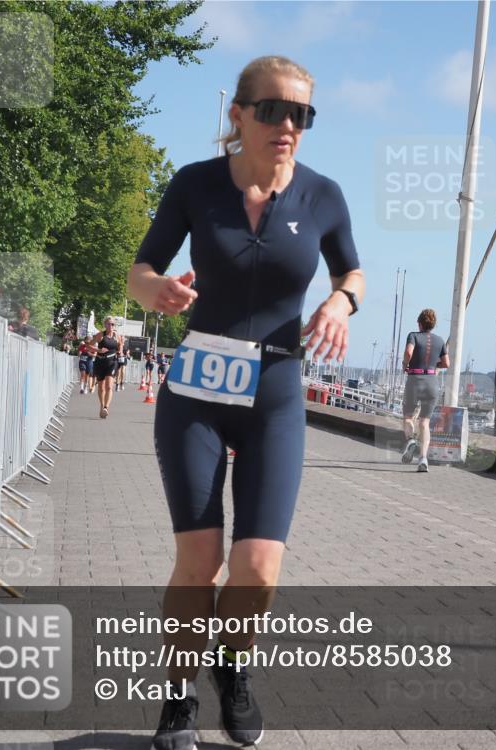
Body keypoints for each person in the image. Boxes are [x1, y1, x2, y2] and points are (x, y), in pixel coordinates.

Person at [126, 55, 363, 750]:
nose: (289, 125)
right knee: (200, 561)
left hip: (276, 395)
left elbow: (352, 269)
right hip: (196, 392)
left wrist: (341, 302)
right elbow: (141, 269)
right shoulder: (195, 184)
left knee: (258, 567)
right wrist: (155, 290)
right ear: (238, 114)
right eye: (273, 110)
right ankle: (178, 699)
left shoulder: (323, 196)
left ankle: (232, 668)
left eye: (302, 114)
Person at [400, 309, 449, 473]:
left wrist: (405, 364)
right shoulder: (440, 340)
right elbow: (446, 363)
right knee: (424, 422)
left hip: (415, 380)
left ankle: (410, 440)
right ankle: (423, 459)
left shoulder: (413, 336)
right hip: (431, 383)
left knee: (408, 417)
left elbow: (409, 352)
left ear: (419, 323)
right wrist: (434, 365)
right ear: (433, 325)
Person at [92, 317, 121, 418]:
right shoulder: (100, 335)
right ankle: (102, 404)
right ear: (105, 324)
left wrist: (120, 351)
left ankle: (106, 407)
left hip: (112, 362)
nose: (111, 326)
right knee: (101, 387)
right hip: (100, 362)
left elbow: (120, 345)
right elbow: (88, 346)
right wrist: (98, 350)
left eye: (112, 324)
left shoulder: (117, 336)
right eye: (109, 324)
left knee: (109, 386)